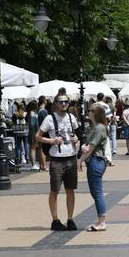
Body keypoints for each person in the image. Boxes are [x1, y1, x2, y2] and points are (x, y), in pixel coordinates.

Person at [35, 92, 80, 231]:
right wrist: (52, 141)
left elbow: (76, 134)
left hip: (71, 157)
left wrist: (76, 139)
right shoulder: (49, 119)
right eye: (61, 102)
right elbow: (37, 136)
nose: (64, 104)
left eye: (66, 101)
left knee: (70, 190)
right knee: (54, 190)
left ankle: (70, 218)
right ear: (55, 103)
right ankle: (55, 219)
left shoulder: (72, 117)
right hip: (57, 160)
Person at [78, 104, 109, 231]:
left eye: (90, 110)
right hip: (94, 162)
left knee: (97, 193)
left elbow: (90, 148)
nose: (88, 112)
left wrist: (79, 161)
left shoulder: (99, 128)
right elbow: (86, 146)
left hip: (96, 161)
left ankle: (102, 222)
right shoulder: (94, 128)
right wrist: (83, 148)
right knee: (95, 192)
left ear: (95, 113)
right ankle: (101, 221)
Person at [27, 100, 41, 170]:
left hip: (31, 131)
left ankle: (33, 164)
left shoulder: (30, 113)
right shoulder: (32, 113)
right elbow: (33, 124)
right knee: (33, 148)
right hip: (33, 132)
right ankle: (33, 164)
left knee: (32, 148)